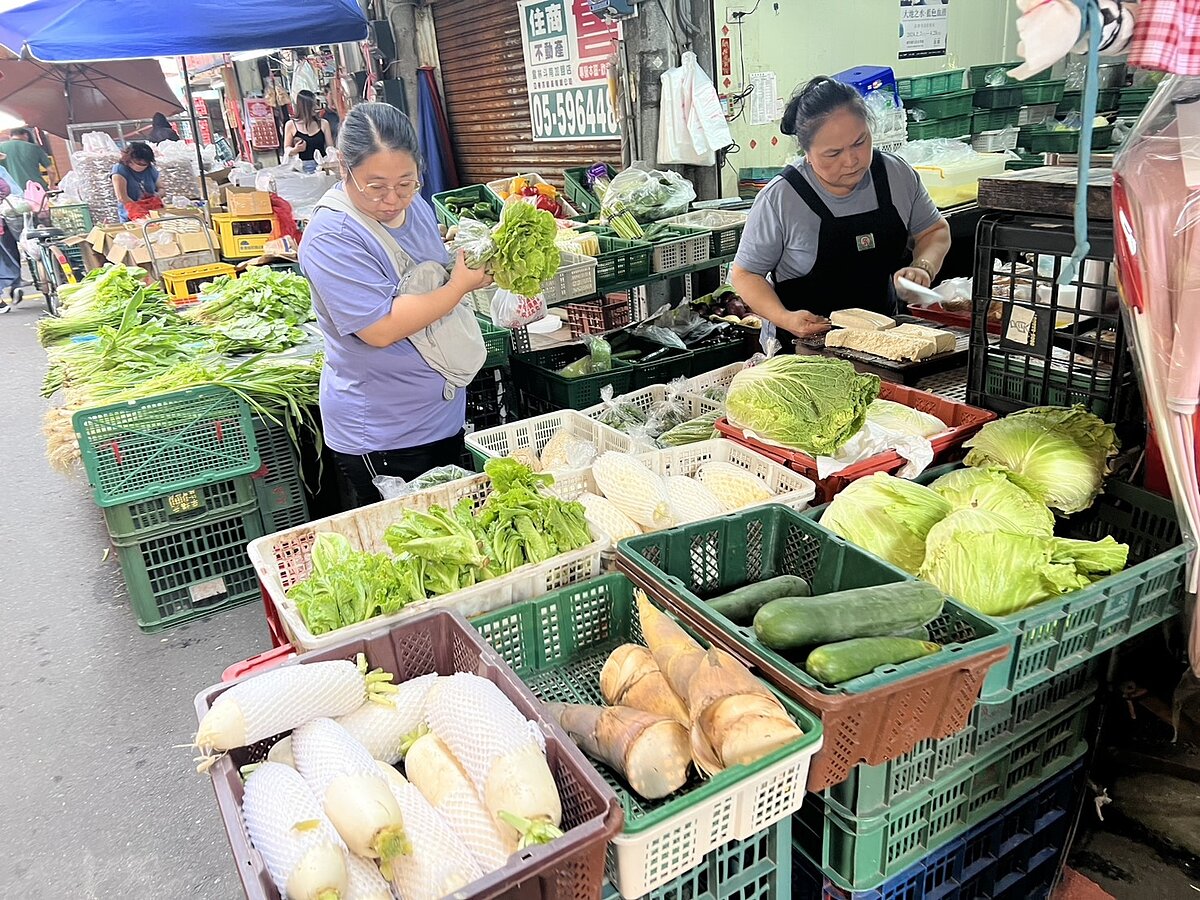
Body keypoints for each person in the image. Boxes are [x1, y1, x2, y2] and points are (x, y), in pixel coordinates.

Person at [299, 102, 493, 508]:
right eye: (376, 186)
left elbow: (429, 271)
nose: (392, 199)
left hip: (440, 415)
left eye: (406, 183)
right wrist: (458, 286)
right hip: (386, 433)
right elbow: (380, 328)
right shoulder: (332, 234)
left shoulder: (416, 207)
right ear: (343, 167)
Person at [730, 76, 951, 346]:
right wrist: (786, 318)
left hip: (886, 344)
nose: (851, 160)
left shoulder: (896, 175)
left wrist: (923, 266)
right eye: (833, 154)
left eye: (860, 142)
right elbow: (745, 274)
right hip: (804, 351)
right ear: (807, 153)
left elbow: (935, 230)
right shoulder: (781, 198)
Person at [111, 142, 164, 222]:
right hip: (131, 216)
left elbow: (162, 188)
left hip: (153, 212)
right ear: (129, 160)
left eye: (144, 164)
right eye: (138, 163)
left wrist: (156, 196)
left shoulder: (150, 169)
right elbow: (122, 197)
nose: (141, 166)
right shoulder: (119, 169)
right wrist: (140, 210)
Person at [283, 90, 334, 163]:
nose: (316, 107)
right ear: (304, 108)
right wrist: (296, 149)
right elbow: (286, 149)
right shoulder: (291, 125)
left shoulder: (324, 123)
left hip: (322, 167)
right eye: (313, 105)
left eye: (316, 104)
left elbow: (330, 148)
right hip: (300, 169)